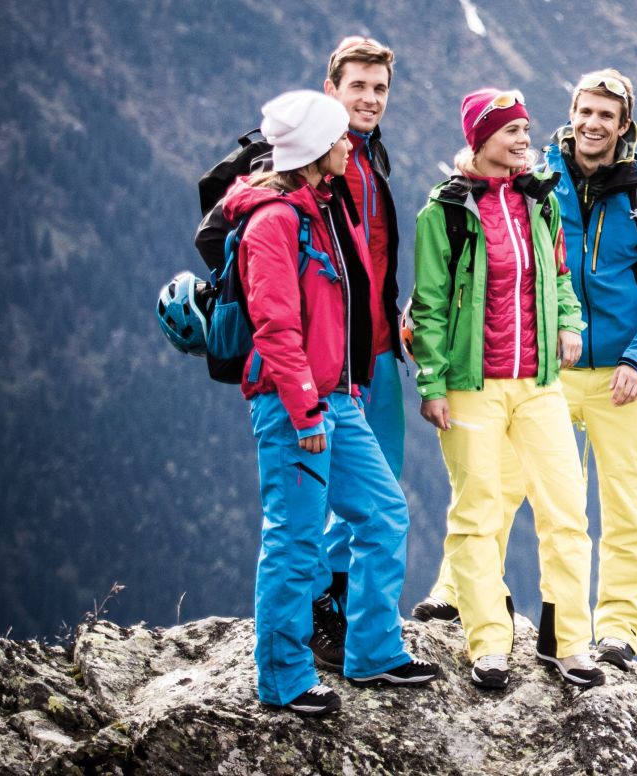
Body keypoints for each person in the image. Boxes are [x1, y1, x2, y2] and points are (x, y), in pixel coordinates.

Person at [414, 69, 637, 673]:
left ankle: (619, 629)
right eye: (585, 111)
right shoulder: (537, 180)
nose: (592, 123)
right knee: (498, 482)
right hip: (544, 365)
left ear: (624, 126)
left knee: (626, 504)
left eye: (606, 115)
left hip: (626, 374)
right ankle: (454, 592)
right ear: (571, 113)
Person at [228, 90, 439, 716]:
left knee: (383, 513)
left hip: (340, 398)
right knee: (295, 540)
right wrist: (304, 408)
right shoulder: (273, 222)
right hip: (296, 404)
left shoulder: (324, 206)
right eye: (341, 138)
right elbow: (275, 325)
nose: (352, 143)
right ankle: (283, 680)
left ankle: (372, 652)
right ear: (319, 149)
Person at [409, 89, 604, 691]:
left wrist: (569, 323)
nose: (525, 139)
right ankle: (489, 645)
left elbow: (561, 275)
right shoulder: (442, 214)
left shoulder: (539, 203)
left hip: (539, 383)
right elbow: (430, 307)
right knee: (477, 514)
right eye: (512, 130)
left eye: (526, 129)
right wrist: (431, 383)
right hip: (472, 387)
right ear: (481, 139)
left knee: (568, 511)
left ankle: (568, 643)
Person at [310, 35, 407, 671]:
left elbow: (370, 255)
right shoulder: (317, 162)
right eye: (358, 87)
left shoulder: (372, 159)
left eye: (379, 89)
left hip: (376, 348)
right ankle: (324, 609)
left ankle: (346, 606)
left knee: (382, 481)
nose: (369, 99)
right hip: (333, 357)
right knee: (349, 492)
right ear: (332, 91)